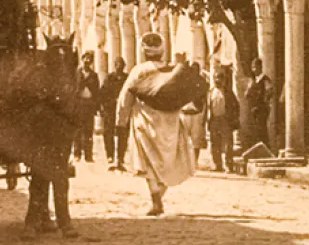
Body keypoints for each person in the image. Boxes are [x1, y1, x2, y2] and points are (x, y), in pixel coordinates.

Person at [116, 34, 203, 216]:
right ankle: (158, 197)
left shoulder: (138, 71)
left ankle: (156, 200)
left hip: (145, 120)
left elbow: (126, 97)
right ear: (162, 50)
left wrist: (121, 121)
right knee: (167, 162)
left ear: (143, 51)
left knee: (149, 163)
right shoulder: (171, 70)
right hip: (170, 122)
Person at [206, 63, 239, 172]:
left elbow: (236, 106)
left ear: (224, 80)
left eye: (220, 78)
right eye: (215, 78)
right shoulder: (210, 92)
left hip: (225, 120)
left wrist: (233, 119)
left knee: (228, 144)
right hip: (214, 119)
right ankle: (217, 165)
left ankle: (229, 165)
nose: (217, 80)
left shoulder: (229, 93)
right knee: (215, 143)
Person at [102, 59, 129, 170]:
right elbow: (103, 92)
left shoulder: (127, 79)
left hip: (123, 109)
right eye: (117, 64)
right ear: (114, 66)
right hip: (110, 109)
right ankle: (110, 155)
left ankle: (120, 157)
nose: (119, 67)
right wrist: (109, 102)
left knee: (123, 133)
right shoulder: (109, 78)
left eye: (121, 65)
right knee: (108, 132)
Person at [243, 60, 275, 153]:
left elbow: (270, 92)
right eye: (253, 67)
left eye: (256, 67)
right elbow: (246, 95)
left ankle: (266, 149)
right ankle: (258, 149)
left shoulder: (265, 80)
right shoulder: (253, 80)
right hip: (254, 109)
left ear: (260, 67)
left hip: (262, 109)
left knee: (262, 129)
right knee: (255, 130)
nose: (254, 69)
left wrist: (264, 101)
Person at [76, 57, 102, 163]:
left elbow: (96, 92)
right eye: (85, 61)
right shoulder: (77, 73)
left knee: (88, 131)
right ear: (82, 61)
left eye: (89, 62)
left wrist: (97, 106)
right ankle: (77, 154)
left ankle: (88, 155)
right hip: (78, 104)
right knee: (77, 130)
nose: (87, 64)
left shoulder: (94, 75)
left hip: (89, 105)